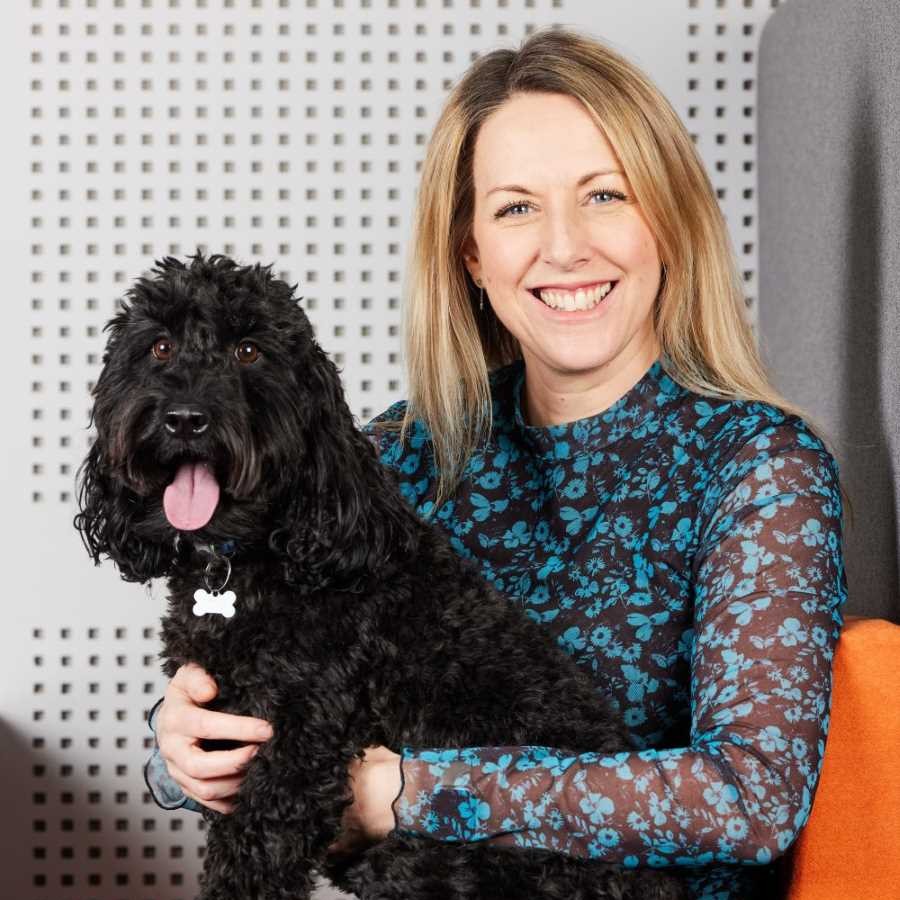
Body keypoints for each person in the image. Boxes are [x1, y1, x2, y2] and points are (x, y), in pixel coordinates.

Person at [145, 26, 847, 899]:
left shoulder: (759, 470)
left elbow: (749, 799)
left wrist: (407, 793)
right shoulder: (404, 453)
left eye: (605, 195)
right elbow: (277, 676)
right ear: (472, 254)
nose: (565, 247)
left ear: (667, 222)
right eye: (517, 208)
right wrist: (178, 754)